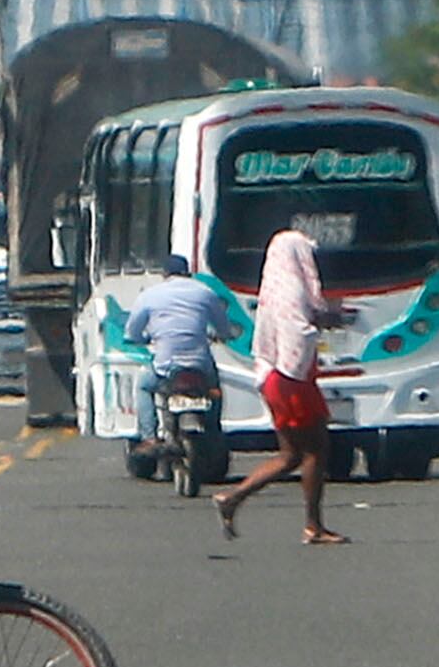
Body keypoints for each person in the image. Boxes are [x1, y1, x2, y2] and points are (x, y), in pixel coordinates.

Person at [214, 226, 356, 545]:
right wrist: (325, 321)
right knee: (317, 450)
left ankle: (233, 498)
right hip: (292, 377)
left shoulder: (271, 289)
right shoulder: (293, 289)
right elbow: (298, 331)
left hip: (273, 376)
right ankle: (313, 525)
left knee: (291, 455)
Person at [122, 250, 233, 443]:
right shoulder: (205, 292)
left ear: (164, 274)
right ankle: (214, 432)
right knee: (214, 389)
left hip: (165, 367)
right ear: (187, 272)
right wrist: (221, 336)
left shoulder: (149, 295)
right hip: (200, 365)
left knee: (144, 387)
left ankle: (149, 437)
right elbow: (223, 328)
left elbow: (132, 332)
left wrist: (141, 339)